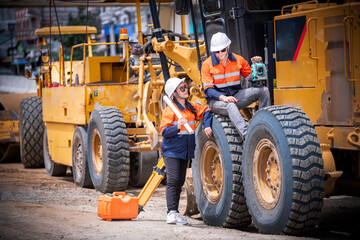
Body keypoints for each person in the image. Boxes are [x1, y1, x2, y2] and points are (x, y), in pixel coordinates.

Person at [160, 77, 212, 225]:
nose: (186, 89)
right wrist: (177, 126)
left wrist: (207, 125)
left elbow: (207, 110)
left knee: (180, 181)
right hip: (172, 151)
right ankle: (171, 212)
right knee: (173, 181)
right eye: (182, 88)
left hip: (186, 151)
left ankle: (175, 213)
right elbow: (164, 131)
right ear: (174, 94)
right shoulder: (170, 111)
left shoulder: (192, 107)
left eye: (185, 87)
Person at [201, 32, 271, 141]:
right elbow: (208, 90)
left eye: (223, 50)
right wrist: (223, 98)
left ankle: (263, 125)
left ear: (228, 47)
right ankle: (248, 137)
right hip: (216, 101)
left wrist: (257, 65)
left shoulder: (239, 60)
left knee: (264, 91)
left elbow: (253, 79)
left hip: (235, 96)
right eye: (216, 51)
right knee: (230, 106)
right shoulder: (206, 65)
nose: (220, 54)